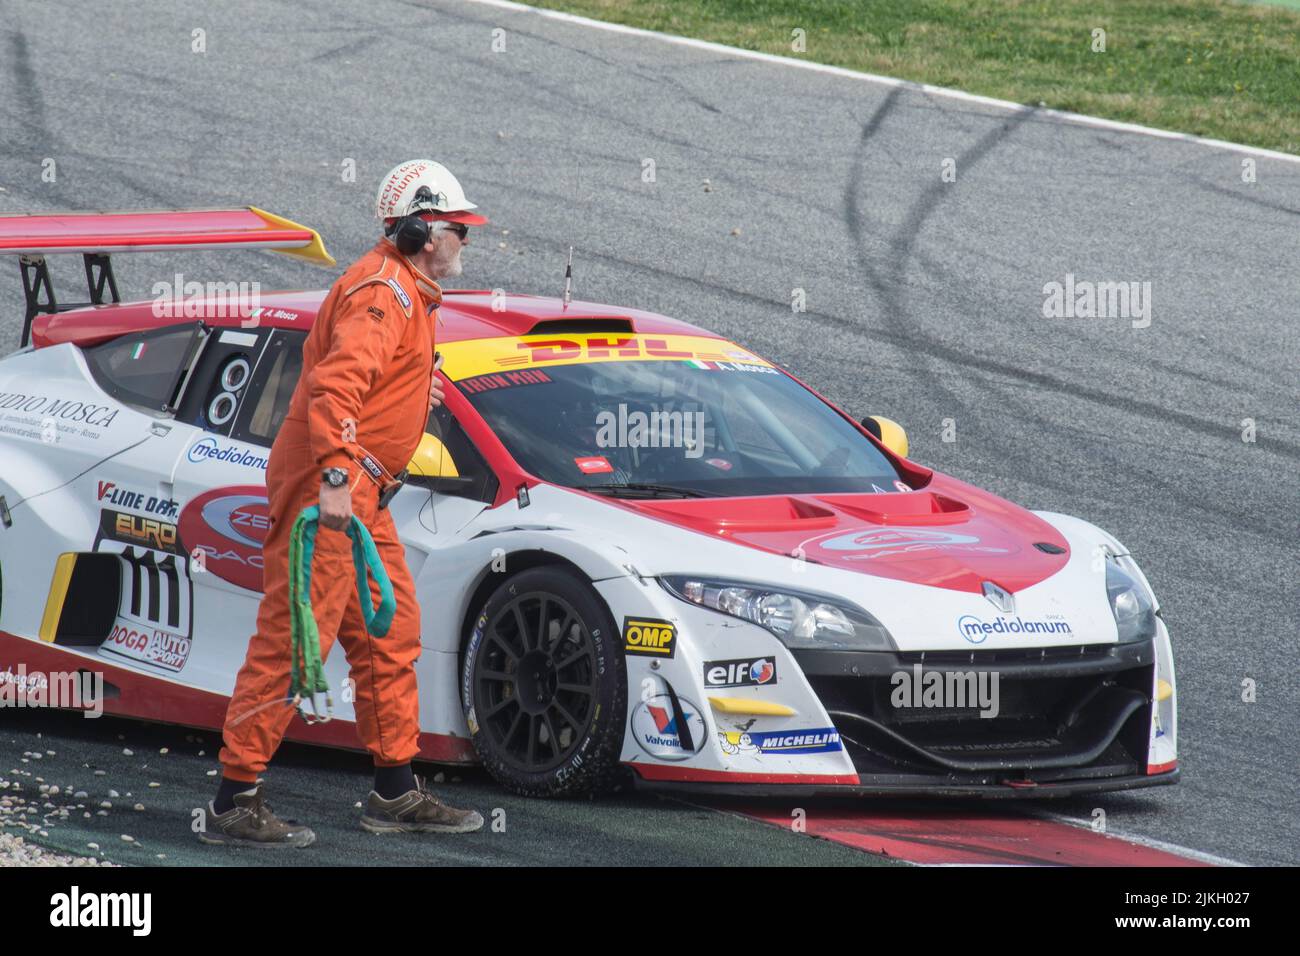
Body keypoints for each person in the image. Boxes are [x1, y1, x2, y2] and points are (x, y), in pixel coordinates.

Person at [200, 160, 488, 847]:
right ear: (423, 231)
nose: (465, 241)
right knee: (294, 638)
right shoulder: (384, 294)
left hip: (361, 492)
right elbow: (335, 390)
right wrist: (333, 484)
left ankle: (394, 792)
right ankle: (232, 802)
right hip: (332, 489)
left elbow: (365, 377)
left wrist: (418, 392)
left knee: (391, 632)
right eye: (458, 228)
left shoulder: (403, 289)